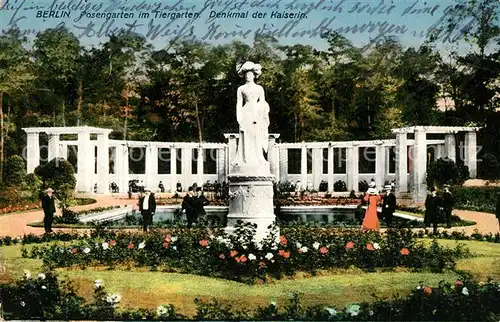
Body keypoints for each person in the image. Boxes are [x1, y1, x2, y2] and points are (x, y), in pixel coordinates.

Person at [234, 61, 270, 170]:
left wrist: (262, 114)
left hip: (257, 113)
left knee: (256, 136)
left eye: (250, 74)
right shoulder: (241, 89)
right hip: (246, 113)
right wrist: (239, 120)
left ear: (254, 75)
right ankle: (245, 159)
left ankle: (258, 158)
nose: (248, 77)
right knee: (246, 136)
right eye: (246, 75)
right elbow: (239, 104)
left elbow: (263, 103)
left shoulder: (259, 88)